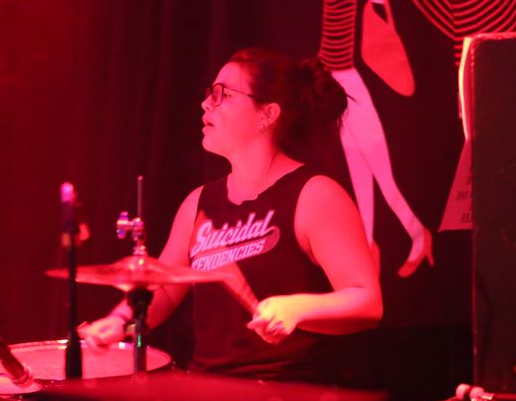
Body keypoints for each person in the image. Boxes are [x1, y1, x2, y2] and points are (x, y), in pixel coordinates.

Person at [79, 47, 382, 384]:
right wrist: (118, 320)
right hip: (210, 388)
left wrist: (297, 308)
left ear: (267, 114)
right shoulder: (199, 202)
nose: (205, 104)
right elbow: (161, 293)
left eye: (222, 94)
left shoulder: (315, 195)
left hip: (287, 393)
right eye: (209, 93)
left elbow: (367, 301)